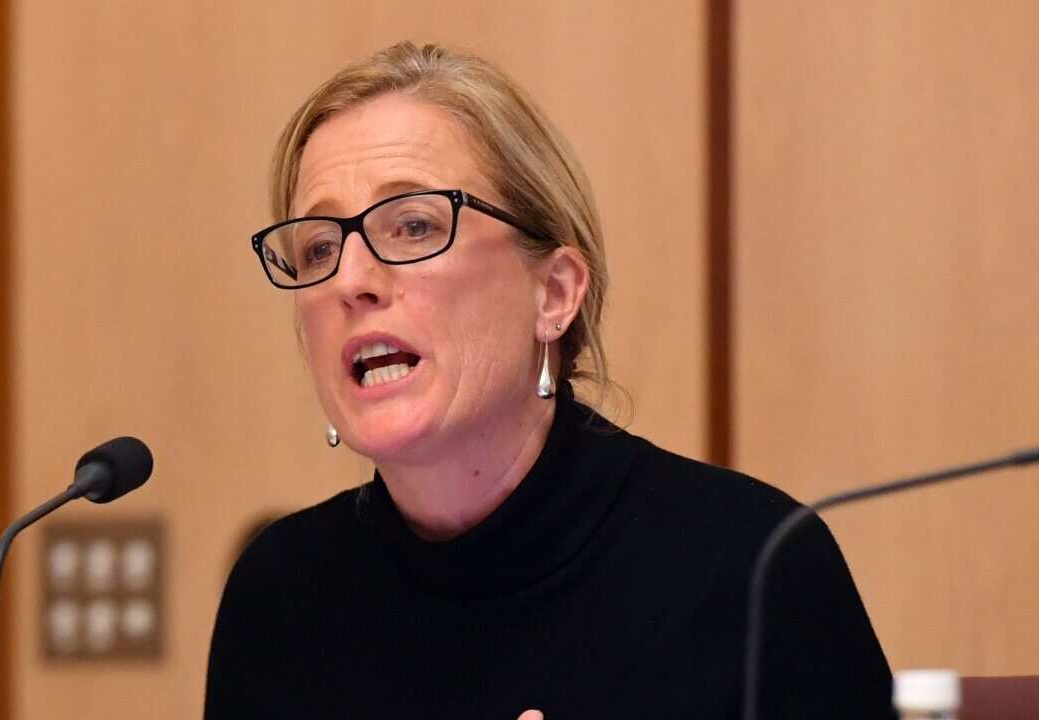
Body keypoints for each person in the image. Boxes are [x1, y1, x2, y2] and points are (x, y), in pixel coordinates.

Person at [206, 41, 892, 719]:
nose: (351, 280)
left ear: (555, 293)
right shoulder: (280, 599)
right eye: (319, 248)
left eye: (413, 226)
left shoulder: (751, 567)